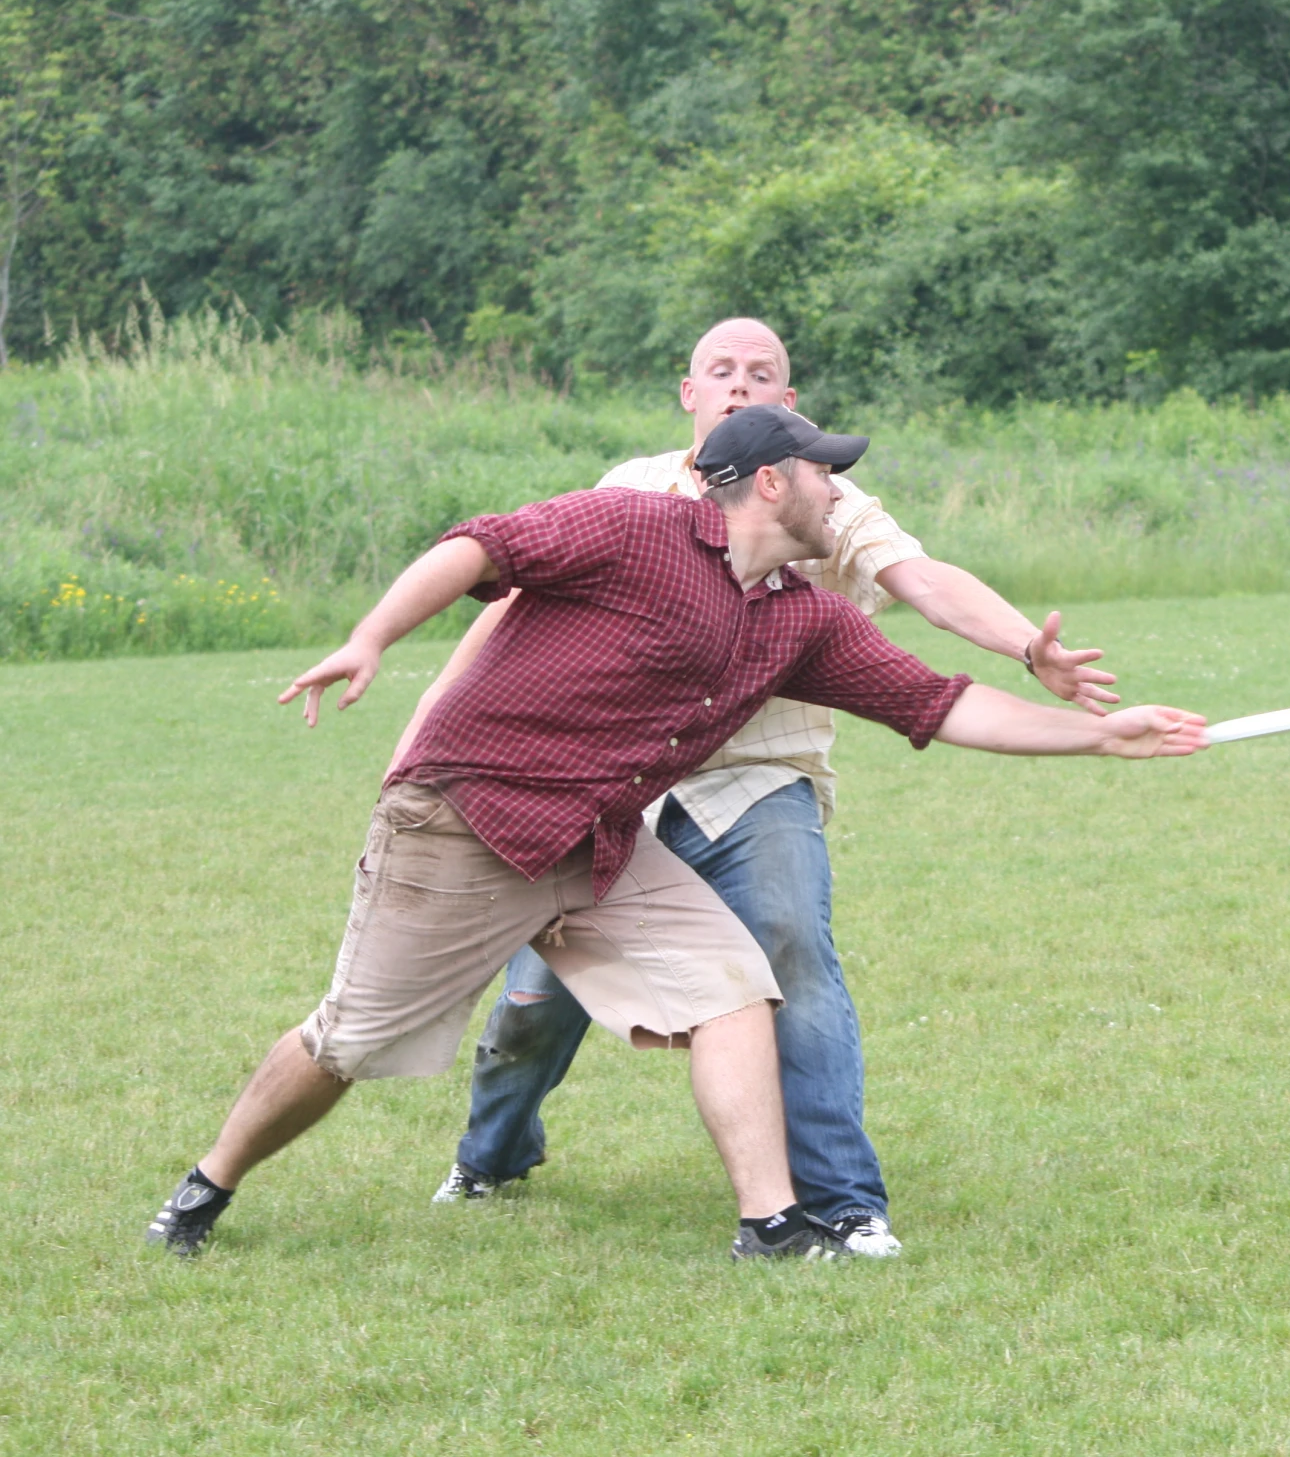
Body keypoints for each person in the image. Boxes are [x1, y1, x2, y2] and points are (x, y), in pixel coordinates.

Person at [146, 406, 1206, 1262]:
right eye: (826, 472)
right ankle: (207, 1184)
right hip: (466, 822)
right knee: (350, 1041)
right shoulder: (634, 528)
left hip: (597, 843)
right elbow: (478, 546)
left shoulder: (801, 616)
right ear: (773, 482)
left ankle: (772, 1226)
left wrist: (1095, 736)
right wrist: (370, 635)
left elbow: (940, 702)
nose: (841, 492)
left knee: (734, 986)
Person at [393, 319, 1107, 1259]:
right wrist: (424, 729)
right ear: (687, 393)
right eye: (719, 371)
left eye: (760, 373)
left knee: (789, 949)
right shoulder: (629, 491)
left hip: (761, 779)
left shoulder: (827, 499)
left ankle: (845, 1205)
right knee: (536, 997)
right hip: (613, 787)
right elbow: (513, 616)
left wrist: (1026, 645)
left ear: (788, 406)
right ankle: (491, 1156)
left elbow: (922, 580)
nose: (738, 384)